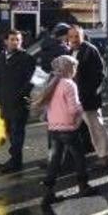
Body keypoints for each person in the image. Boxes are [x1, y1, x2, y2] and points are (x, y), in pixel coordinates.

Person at [33, 55, 95, 205]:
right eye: (74, 67)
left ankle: (48, 192)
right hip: (69, 127)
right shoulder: (69, 84)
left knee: (54, 160)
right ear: (68, 68)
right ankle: (83, 186)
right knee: (79, 157)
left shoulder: (52, 83)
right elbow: (73, 109)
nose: (75, 70)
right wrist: (81, 109)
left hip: (54, 128)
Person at [68, 25, 108, 168]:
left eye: (77, 36)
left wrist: (90, 92)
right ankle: (68, 159)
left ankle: (105, 156)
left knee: (96, 127)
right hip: (76, 98)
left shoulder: (90, 50)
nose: (74, 39)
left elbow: (99, 74)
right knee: (72, 129)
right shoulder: (71, 51)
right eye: (71, 36)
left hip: (88, 99)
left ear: (82, 36)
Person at [0, 30, 37, 173]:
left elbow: (32, 80)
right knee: (10, 133)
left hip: (19, 103)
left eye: (18, 40)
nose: (15, 42)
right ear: (6, 41)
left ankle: (15, 162)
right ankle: (14, 159)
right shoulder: (0, 58)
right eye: (12, 39)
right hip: (5, 102)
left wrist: (21, 95)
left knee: (17, 132)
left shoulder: (27, 58)